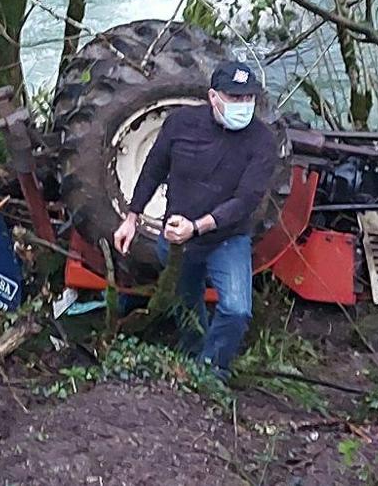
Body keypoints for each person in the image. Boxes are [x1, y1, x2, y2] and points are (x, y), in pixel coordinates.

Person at [113, 60, 277, 379]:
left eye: (249, 99)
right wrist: (131, 218)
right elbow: (153, 168)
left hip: (226, 239)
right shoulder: (181, 124)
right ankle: (191, 356)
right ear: (214, 97)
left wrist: (199, 226)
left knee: (236, 309)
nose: (244, 105)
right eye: (235, 98)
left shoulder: (262, 141)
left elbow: (246, 200)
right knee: (186, 301)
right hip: (176, 239)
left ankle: (212, 368)